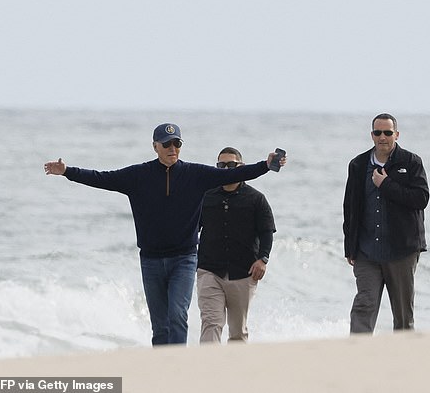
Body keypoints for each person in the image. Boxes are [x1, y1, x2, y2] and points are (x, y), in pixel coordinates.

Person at [43, 123, 285, 346]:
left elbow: (235, 175)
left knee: (177, 316)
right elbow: (100, 178)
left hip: (184, 259)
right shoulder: (138, 176)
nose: (172, 148)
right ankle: (161, 370)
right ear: (155, 146)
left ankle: (176, 369)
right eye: (167, 144)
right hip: (150, 260)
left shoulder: (195, 175)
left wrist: (266, 165)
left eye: (177, 144)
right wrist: (67, 171)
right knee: (159, 327)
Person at [343, 113, 429, 333]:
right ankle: (356, 353)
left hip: (401, 250)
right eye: (378, 132)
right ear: (372, 135)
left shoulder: (411, 162)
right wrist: (350, 247)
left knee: (402, 314)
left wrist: (386, 184)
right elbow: (349, 207)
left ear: (397, 135)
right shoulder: (358, 164)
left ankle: (403, 356)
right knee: (364, 304)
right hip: (366, 251)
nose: (383, 137)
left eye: (388, 133)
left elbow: (421, 199)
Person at [196, 147, 276, 343]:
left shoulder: (256, 199)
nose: (226, 169)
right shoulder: (206, 196)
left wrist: (263, 259)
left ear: (241, 167)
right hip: (209, 271)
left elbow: (267, 232)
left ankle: (234, 371)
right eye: (221, 165)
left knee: (238, 332)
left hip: (244, 272)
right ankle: (207, 369)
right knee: (211, 322)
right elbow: (190, 228)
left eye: (231, 165)